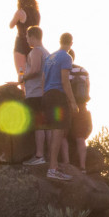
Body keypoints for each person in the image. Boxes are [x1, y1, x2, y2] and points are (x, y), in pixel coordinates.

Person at [39, 35, 77, 180]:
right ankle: (53, 169)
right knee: (58, 130)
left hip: (47, 95)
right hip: (58, 96)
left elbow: (43, 80)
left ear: (60, 41)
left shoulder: (50, 57)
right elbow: (65, 81)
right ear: (71, 43)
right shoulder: (66, 57)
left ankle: (53, 164)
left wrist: (44, 96)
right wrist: (72, 101)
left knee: (54, 129)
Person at [60, 35, 91, 173]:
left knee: (63, 135)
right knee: (80, 138)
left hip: (67, 105)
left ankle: (67, 164)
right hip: (82, 105)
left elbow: (63, 86)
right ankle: (83, 166)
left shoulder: (64, 71)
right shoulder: (83, 71)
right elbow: (88, 87)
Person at [19, 26, 50, 166]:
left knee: (38, 126)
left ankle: (39, 155)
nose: (26, 39)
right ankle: (47, 155)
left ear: (33, 36)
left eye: (27, 36)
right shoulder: (47, 53)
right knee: (44, 125)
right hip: (44, 93)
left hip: (35, 93)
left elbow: (36, 69)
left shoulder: (36, 51)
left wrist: (23, 77)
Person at [7, 0, 40, 80]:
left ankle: (23, 91)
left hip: (21, 42)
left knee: (21, 70)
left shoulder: (20, 12)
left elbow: (11, 25)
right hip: (34, 43)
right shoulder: (37, 13)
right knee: (31, 69)